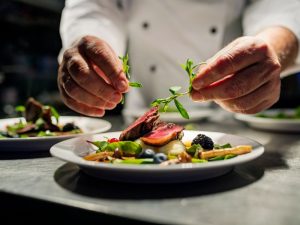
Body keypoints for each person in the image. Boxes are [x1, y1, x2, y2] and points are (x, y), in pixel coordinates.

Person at [57, 0, 300, 117]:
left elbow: (282, 7)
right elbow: (95, 6)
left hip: (230, 120)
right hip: (142, 113)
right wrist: (91, 50)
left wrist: (271, 46)